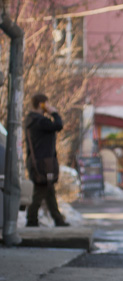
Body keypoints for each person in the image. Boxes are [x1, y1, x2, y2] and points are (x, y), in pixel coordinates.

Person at [23, 92, 69, 228]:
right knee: (41, 190)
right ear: (41, 104)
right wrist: (53, 113)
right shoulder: (40, 121)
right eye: (46, 104)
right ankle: (31, 220)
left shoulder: (31, 120)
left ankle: (58, 219)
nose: (49, 106)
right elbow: (58, 125)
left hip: (37, 161)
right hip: (43, 163)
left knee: (48, 191)